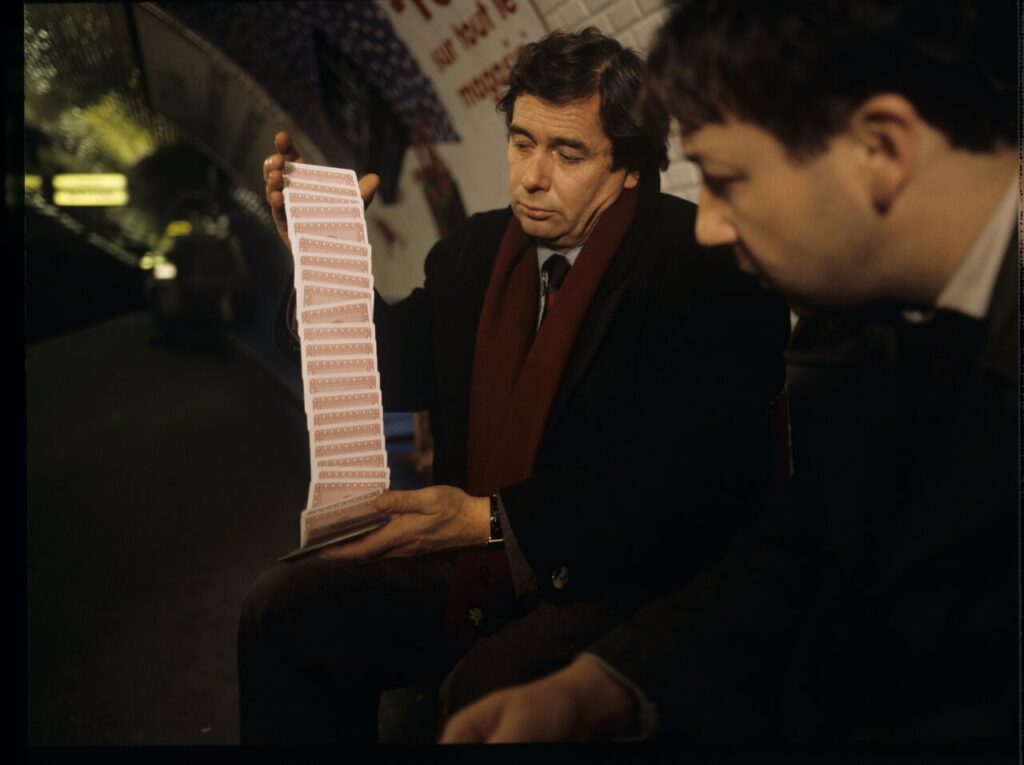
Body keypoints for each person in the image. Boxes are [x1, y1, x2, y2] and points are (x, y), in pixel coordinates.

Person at [442, 0, 1019, 752]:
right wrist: (605, 682)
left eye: (727, 179)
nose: (708, 224)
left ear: (881, 150)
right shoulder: (847, 320)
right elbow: (811, 552)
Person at [240, 28, 790, 744]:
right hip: (476, 561)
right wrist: (319, 260)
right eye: (523, 141)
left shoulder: (699, 263)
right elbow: (394, 367)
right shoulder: (474, 250)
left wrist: (490, 518)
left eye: (567, 153)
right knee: (280, 608)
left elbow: (691, 477)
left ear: (627, 165)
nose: (533, 175)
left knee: (484, 689)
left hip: (621, 573)